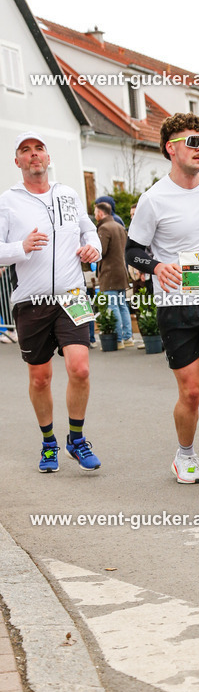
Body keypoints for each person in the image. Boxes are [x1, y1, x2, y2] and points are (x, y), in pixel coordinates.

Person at [126, 113, 199, 484]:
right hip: (175, 303)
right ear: (170, 148)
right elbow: (132, 251)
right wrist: (158, 266)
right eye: (193, 142)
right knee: (191, 392)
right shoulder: (153, 199)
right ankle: (185, 454)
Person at [0, 132, 102, 471]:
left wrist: (94, 249)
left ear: (48, 157)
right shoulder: (8, 201)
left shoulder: (69, 194)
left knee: (80, 368)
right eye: (25, 150)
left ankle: (76, 438)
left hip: (72, 295)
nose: (33, 155)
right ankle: (48, 443)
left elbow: (90, 232)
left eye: (39, 149)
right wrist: (21, 247)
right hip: (31, 300)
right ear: (17, 161)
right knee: (40, 377)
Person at [94, 201, 134, 348]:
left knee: (113, 305)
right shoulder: (119, 226)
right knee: (122, 304)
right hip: (121, 270)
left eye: (96, 211)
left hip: (109, 272)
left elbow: (101, 252)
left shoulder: (104, 228)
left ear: (100, 213)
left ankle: (118, 339)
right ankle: (128, 337)